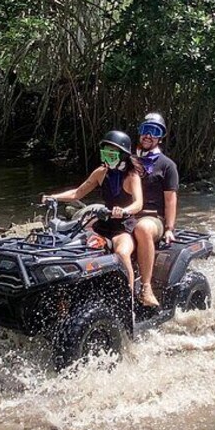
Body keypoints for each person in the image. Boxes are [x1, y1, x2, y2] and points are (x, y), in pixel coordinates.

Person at [42, 130, 142, 296]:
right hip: (103, 223)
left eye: (112, 153)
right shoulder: (100, 173)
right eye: (105, 152)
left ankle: (130, 297)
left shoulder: (132, 176)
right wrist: (53, 197)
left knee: (122, 253)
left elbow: (138, 204)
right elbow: (77, 193)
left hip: (123, 226)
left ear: (123, 155)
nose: (107, 156)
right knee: (73, 245)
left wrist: (123, 211)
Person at [133, 113, 179, 307]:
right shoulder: (130, 160)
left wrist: (169, 228)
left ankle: (146, 287)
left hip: (154, 219)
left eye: (155, 132)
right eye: (146, 130)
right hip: (129, 213)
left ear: (160, 137)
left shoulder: (167, 165)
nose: (148, 135)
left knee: (142, 228)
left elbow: (170, 200)